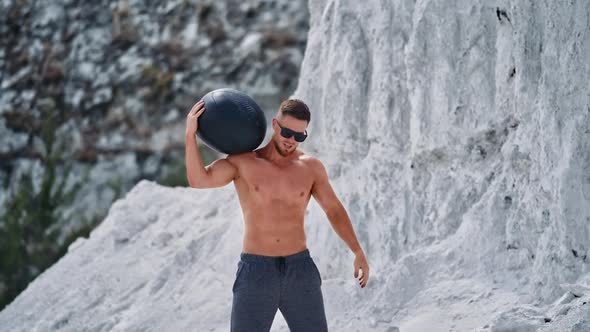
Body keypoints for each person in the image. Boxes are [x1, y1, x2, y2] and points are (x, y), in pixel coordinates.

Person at [185, 98, 370, 332]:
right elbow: (198, 180)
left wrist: (357, 250)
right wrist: (190, 134)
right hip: (256, 272)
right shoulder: (244, 163)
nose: (291, 140)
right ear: (275, 124)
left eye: (299, 136)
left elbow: (333, 209)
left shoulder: (310, 167)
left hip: (300, 269)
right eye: (287, 132)